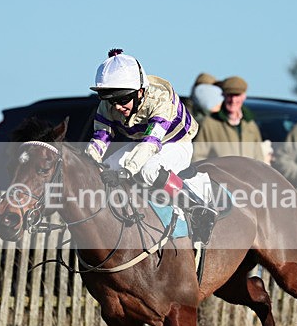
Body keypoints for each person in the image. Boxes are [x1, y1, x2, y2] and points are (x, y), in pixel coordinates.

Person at [85, 49, 217, 241]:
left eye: (122, 99)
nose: (117, 107)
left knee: (148, 169)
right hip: (143, 142)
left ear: (140, 92)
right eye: (110, 99)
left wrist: (127, 171)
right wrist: (88, 161)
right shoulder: (108, 106)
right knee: (106, 167)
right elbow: (101, 137)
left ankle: (198, 210)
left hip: (176, 141)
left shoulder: (160, 100)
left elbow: (151, 143)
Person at [192, 76, 266, 163]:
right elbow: (197, 157)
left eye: (237, 95)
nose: (233, 100)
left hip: (248, 176)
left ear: (244, 96)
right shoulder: (209, 124)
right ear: (223, 95)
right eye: (230, 95)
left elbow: (259, 160)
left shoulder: (250, 125)